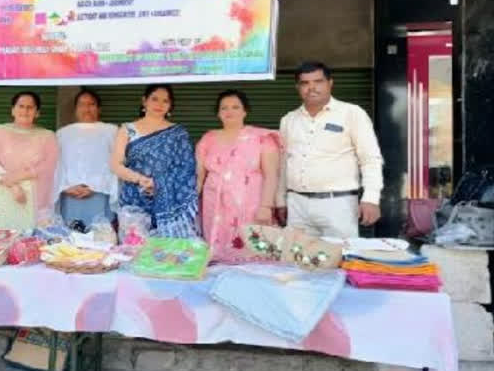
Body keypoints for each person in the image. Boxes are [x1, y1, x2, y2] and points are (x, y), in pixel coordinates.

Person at [276, 61, 384, 238]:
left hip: (338, 205)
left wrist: (371, 198)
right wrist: (280, 200)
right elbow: (283, 163)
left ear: (330, 83)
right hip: (297, 205)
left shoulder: (352, 113)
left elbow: (370, 159)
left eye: (318, 81)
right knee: (297, 260)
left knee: (340, 258)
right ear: (298, 87)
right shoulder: (289, 120)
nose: (311, 88)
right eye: (305, 83)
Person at [196, 90, 281, 263]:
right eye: (224, 108)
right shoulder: (208, 138)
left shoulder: (261, 137)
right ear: (218, 113)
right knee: (218, 258)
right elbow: (199, 176)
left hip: (252, 207)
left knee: (253, 255)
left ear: (245, 111)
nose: (229, 111)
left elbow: (271, 175)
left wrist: (266, 206)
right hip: (215, 207)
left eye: (235, 107)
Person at [110, 84, 198, 237]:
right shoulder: (128, 129)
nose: (159, 104)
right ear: (144, 101)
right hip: (134, 198)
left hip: (171, 202)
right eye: (155, 99)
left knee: (166, 254)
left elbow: (187, 168)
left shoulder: (178, 133)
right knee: (134, 250)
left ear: (170, 105)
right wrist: (141, 180)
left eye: (165, 101)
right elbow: (116, 165)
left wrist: (159, 184)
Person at [0, 91, 58, 230]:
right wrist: (13, 185)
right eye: (21, 106)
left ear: (37, 112)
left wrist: (17, 177)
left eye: (30, 107)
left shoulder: (48, 136)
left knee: (27, 243)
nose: (25, 110)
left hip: (31, 198)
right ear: (13, 110)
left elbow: (49, 166)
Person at [54, 89, 118, 226]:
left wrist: (95, 186)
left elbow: (117, 163)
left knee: (101, 237)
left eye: (91, 104)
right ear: (75, 109)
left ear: (99, 108)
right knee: (71, 240)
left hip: (101, 193)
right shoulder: (62, 134)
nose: (87, 108)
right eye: (82, 104)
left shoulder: (111, 131)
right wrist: (65, 187)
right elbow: (56, 165)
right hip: (70, 194)